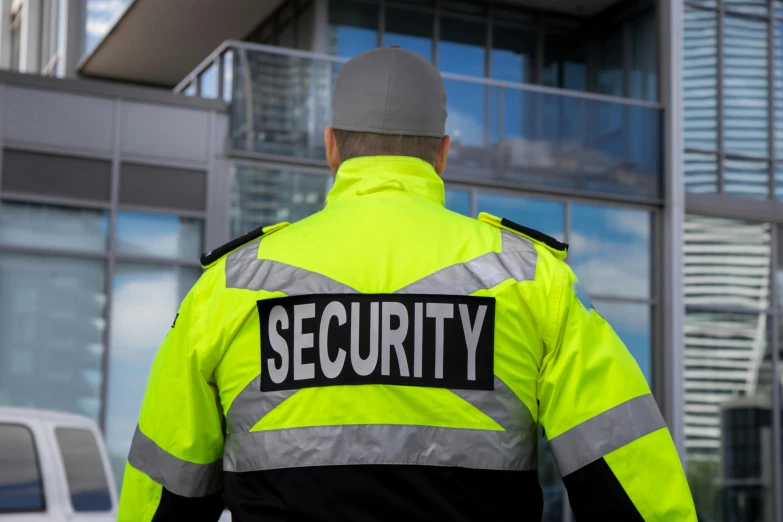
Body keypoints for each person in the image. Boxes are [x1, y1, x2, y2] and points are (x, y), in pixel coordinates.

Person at [118, 46, 697, 521]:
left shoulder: (230, 286)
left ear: (331, 147)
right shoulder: (532, 278)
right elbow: (630, 481)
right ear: (442, 153)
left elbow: (164, 493)